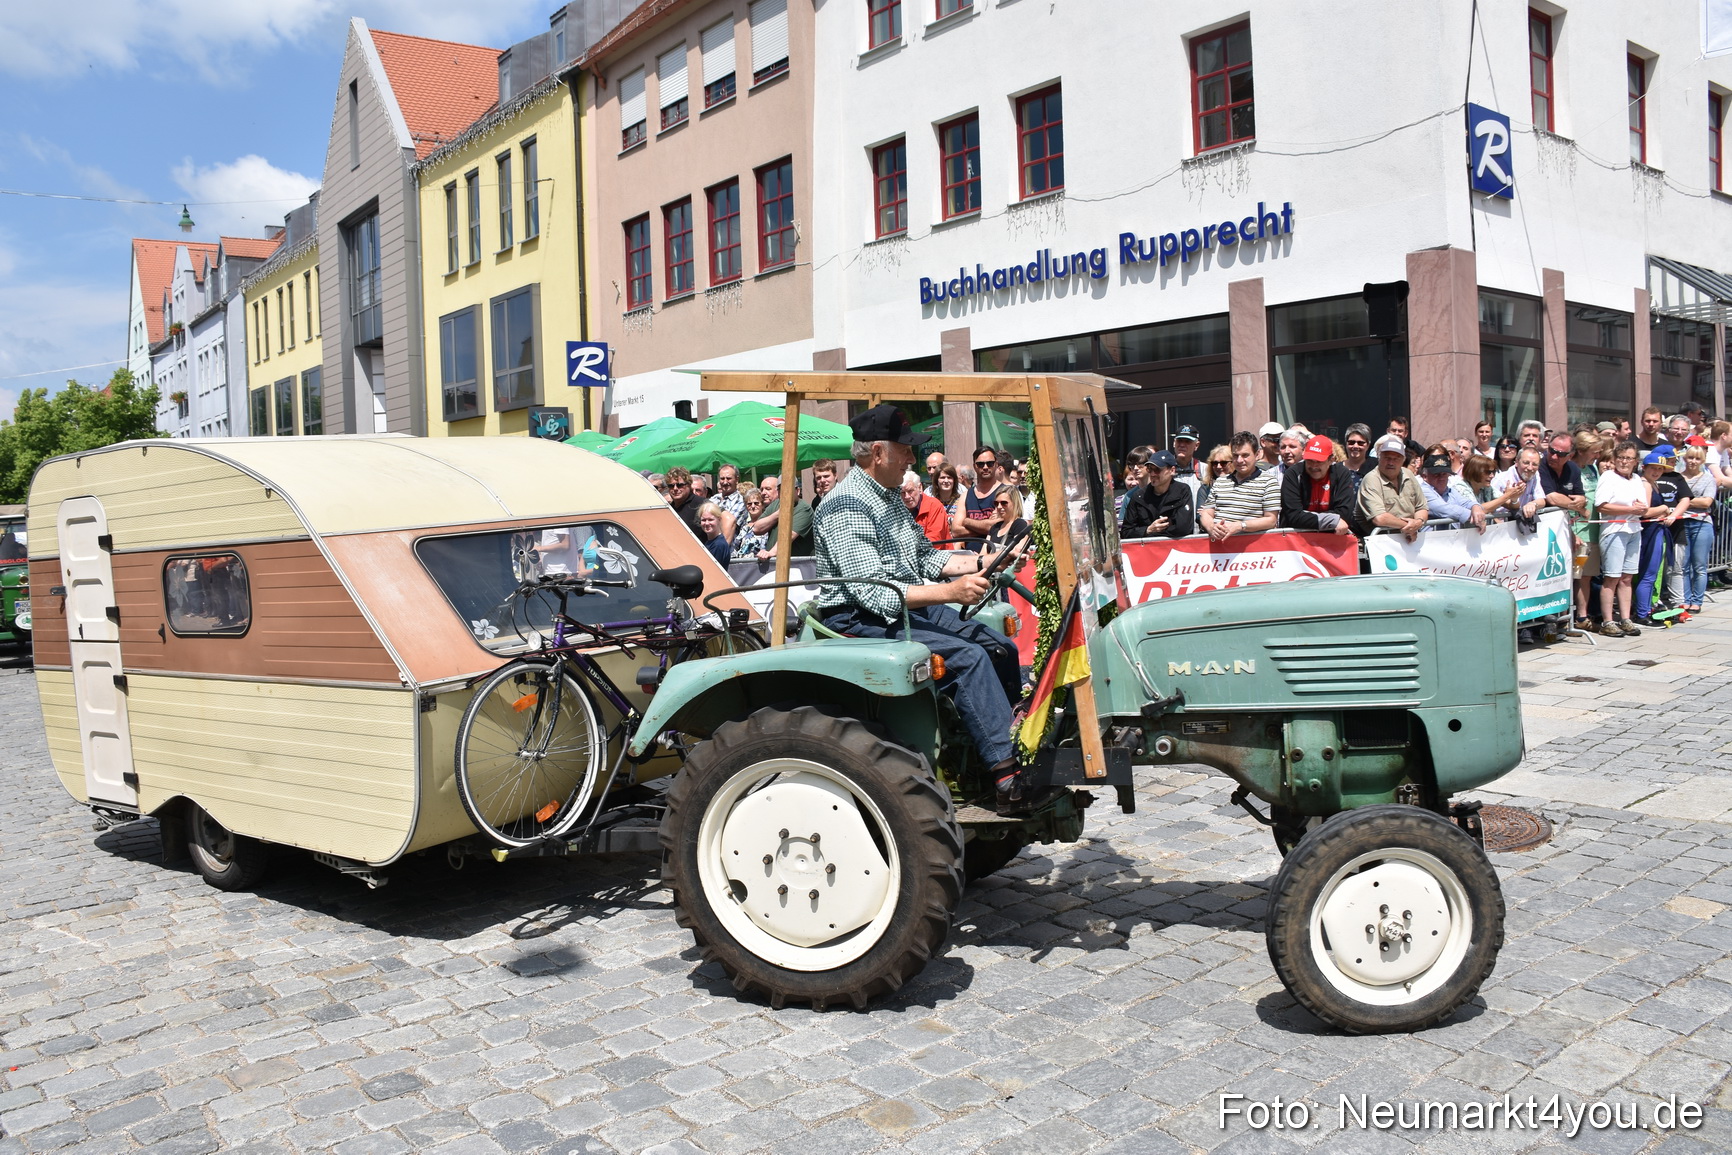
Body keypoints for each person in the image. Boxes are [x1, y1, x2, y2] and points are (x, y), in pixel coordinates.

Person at [812, 405, 1027, 811]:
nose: (912, 458)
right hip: (860, 618)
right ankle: (1005, 775)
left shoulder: (888, 497)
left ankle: (1012, 740)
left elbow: (926, 560)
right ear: (878, 452)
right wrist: (952, 593)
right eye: (905, 450)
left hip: (904, 607)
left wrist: (988, 560)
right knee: (968, 657)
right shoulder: (845, 506)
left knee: (1002, 647)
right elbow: (875, 595)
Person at [1632, 446, 1689, 626]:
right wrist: (1664, 509)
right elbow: (1644, 512)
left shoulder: (1653, 483)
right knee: (1648, 573)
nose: (1656, 472)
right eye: (1653, 468)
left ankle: (1645, 608)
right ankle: (1642, 612)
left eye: (1659, 469)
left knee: (1652, 573)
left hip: (1656, 531)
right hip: (1649, 533)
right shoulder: (1645, 484)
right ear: (1644, 468)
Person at [1594, 443, 1647, 636]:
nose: (1624, 462)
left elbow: (1643, 506)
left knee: (1627, 577)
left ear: (1635, 461)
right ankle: (1607, 621)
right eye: (1621, 457)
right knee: (1612, 577)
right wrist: (1630, 509)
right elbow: (1601, 505)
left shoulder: (1636, 480)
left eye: (1629, 458)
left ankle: (1625, 618)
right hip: (1614, 529)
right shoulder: (1609, 477)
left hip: (1633, 529)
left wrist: (1638, 510)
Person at [1199, 432, 1281, 539]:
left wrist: (1240, 526)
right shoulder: (1220, 482)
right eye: (1235, 455)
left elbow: (1271, 520)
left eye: (1245, 455)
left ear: (1257, 455)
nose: (1239, 460)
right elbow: (1206, 513)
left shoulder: (1269, 482)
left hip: (1252, 550)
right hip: (1219, 550)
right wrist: (1211, 527)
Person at [1357, 433, 1429, 541]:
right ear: (1379, 457)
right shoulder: (1371, 479)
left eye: (1396, 458)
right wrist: (1410, 526)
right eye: (1387, 458)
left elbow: (1421, 507)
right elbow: (1380, 518)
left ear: (1403, 460)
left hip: (1409, 539)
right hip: (1381, 542)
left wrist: (1418, 522)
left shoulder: (1408, 474)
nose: (1391, 462)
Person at [1279, 435, 1355, 535]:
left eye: (1319, 461)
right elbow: (1293, 516)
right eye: (1310, 460)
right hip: (1297, 539)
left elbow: (1345, 514)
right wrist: (1332, 520)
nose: (1314, 466)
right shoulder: (1293, 474)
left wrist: (1306, 517)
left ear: (1331, 460)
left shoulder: (1341, 474)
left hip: (1332, 537)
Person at [1120, 450, 1195, 539]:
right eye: (1149, 469)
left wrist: (1156, 533)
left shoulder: (1182, 491)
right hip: (1146, 551)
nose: (1152, 474)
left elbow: (1184, 528)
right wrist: (1148, 530)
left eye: (1157, 469)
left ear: (1172, 470)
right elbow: (1126, 532)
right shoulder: (1138, 496)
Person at [1569, 431, 1602, 626]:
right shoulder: (1571, 468)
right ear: (1581, 450)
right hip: (1577, 530)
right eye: (1594, 452)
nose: (1597, 456)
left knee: (1587, 576)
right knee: (1575, 574)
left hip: (1593, 530)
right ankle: (1569, 616)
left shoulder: (1593, 469)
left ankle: (1583, 615)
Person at [1678, 445, 1715, 615]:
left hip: (1702, 523)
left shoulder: (1708, 478)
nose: (1693, 461)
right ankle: (1685, 599)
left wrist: (1684, 501)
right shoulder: (1678, 477)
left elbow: (1707, 502)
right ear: (1684, 458)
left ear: (1702, 461)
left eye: (1697, 458)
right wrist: (1693, 501)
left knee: (1699, 565)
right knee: (1684, 565)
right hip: (1682, 522)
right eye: (1690, 457)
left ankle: (1697, 601)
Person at [954, 445, 1007, 549]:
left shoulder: (1006, 492)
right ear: (975, 467)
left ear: (996, 465)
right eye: (980, 464)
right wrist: (985, 528)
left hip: (996, 558)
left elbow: (999, 527)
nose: (985, 467)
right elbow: (956, 531)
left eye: (990, 463)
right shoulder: (966, 495)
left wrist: (967, 522)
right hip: (970, 558)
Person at [1417, 452, 1485, 530]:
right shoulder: (1423, 491)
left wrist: (1476, 507)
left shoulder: (1451, 490)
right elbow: (1444, 509)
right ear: (1425, 476)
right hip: (1431, 540)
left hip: (1451, 539)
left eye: (1444, 474)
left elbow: (1466, 502)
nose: (1441, 478)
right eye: (1436, 474)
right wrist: (1474, 516)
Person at [751, 474, 813, 558]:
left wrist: (771, 553)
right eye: (781, 489)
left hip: (796, 565)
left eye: (788, 489)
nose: (785, 492)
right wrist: (778, 514)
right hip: (774, 563)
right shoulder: (775, 504)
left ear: (797, 491)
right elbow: (757, 528)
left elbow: (788, 536)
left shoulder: (804, 509)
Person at [901, 471, 952, 544]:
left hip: (937, 553)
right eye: (902, 492)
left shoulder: (934, 506)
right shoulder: (898, 508)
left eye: (910, 491)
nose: (907, 496)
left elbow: (935, 540)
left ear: (920, 488)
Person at [1115, 446, 1153, 518]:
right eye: (1132, 465)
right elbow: (1123, 525)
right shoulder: (1129, 496)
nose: (1135, 468)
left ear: (1150, 464)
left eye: (1140, 464)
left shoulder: (1160, 490)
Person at [665, 467, 704, 535]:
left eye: (680, 485)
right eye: (671, 486)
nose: (675, 488)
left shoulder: (702, 504)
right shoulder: (669, 508)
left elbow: (726, 518)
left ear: (689, 485)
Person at [713, 463, 746, 543]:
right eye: (722, 478)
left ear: (737, 480)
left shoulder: (741, 502)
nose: (725, 482)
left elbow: (728, 525)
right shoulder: (714, 499)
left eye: (728, 478)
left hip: (729, 550)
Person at [734, 486, 768, 558]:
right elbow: (736, 547)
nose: (753, 506)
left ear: (762, 505)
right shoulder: (744, 526)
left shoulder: (767, 523)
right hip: (742, 565)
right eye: (749, 504)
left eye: (756, 503)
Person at [695, 502, 731, 566]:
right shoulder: (709, 542)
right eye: (703, 520)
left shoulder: (719, 545)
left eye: (710, 520)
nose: (707, 523)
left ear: (719, 520)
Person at [1172, 425, 1202, 491]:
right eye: (1179, 441)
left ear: (1196, 445)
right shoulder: (1164, 469)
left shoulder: (1204, 470)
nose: (1182, 445)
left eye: (1187, 441)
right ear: (1174, 443)